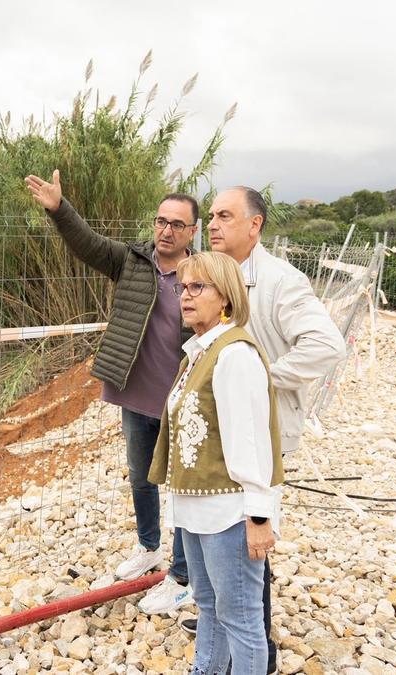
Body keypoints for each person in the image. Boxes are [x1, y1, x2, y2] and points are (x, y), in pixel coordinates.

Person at [181, 186, 345, 673]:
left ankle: (257, 651)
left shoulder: (281, 281)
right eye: (210, 215)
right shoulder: (210, 277)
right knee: (228, 551)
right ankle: (225, 628)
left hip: (258, 434)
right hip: (214, 442)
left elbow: (326, 344)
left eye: (225, 216)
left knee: (250, 540)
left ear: (255, 225)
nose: (212, 224)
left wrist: (259, 377)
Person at [24, 170, 197, 614]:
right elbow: (87, 244)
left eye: (177, 224)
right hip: (135, 394)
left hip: (182, 400)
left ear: (193, 232)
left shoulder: (201, 275)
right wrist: (60, 209)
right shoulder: (132, 261)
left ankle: (184, 573)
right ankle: (149, 549)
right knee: (142, 479)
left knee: (184, 490)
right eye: (161, 220)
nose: (166, 230)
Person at [148, 251, 284, 674]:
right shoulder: (197, 353)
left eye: (197, 287)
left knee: (242, 620)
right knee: (208, 605)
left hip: (228, 511)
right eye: (182, 287)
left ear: (225, 296)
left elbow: (249, 439)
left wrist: (260, 515)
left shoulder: (234, 355)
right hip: (195, 508)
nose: (185, 296)